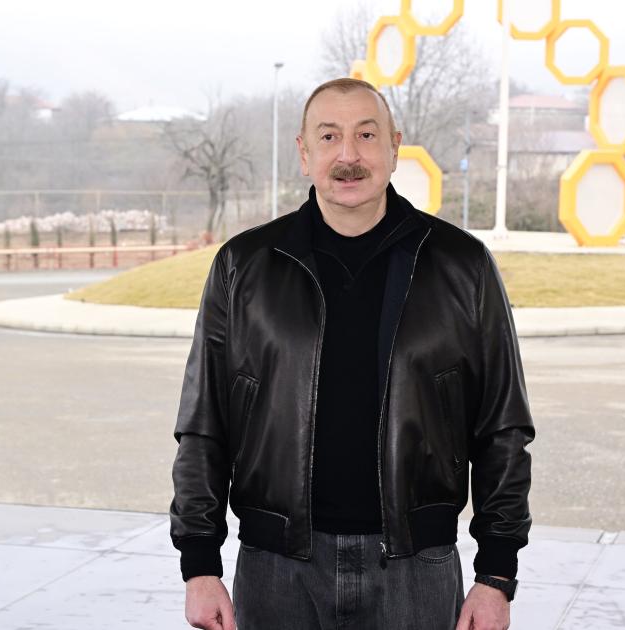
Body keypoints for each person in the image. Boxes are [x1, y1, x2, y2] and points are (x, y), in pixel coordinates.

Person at [170, 77, 534, 630]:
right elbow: (204, 425)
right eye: (329, 136)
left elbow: (502, 428)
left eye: (366, 135)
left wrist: (497, 573)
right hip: (276, 571)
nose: (348, 156)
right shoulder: (243, 267)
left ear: (394, 147)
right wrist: (199, 563)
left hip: (416, 569)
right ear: (304, 152)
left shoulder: (464, 266)